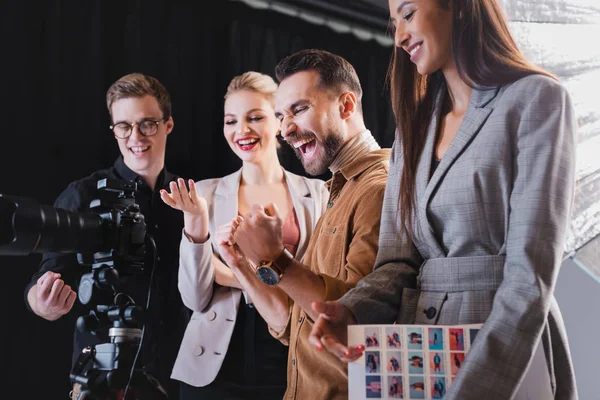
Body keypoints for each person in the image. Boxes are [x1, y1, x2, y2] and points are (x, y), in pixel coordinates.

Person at [308, 0, 578, 399]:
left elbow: (528, 280)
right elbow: (398, 263)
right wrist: (352, 308)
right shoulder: (413, 127)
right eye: (394, 22)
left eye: (409, 13)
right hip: (423, 353)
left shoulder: (537, 99)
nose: (399, 36)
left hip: (507, 357)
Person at [229, 49, 391, 400]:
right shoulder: (338, 189)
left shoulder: (378, 189)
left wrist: (275, 257)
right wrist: (244, 265)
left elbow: (353, 320)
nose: (286, 129)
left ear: (346, 107)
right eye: (280, 115)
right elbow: (295, 325)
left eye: (299, 109)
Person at [160, 71, 327, 399]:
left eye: (255, 117)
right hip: (217, 359)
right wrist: (196, 223)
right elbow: (195, 297)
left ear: (279, 122)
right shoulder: (205, 195)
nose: (242, 131)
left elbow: (321, 281)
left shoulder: (319, 194)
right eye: (231, 121)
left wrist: (230, 272)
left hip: (292, 349)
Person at [24, 73, 189, 399]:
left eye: (148, 124)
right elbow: (45, 276)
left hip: (176, 374)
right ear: (113, 130)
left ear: (168, 124)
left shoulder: (191, 198)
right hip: (101, 376)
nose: (135, 136)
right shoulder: (83, 194)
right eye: (123, 126)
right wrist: (41, 303)